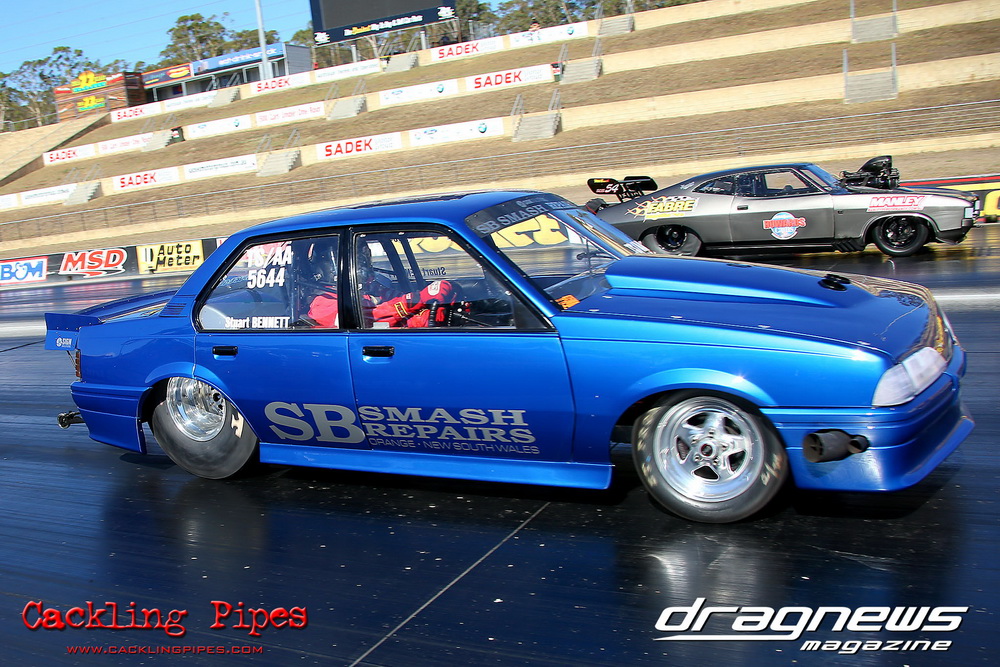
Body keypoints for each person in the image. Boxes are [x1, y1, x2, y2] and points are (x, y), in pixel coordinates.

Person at [307, 240, 457, 328]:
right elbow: (373, 318)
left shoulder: (369, 288)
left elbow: (396, 299)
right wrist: (420, 298)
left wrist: (422, 314)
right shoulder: (323, 303)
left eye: (363, 260)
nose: (362, 266)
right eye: (358, 262)